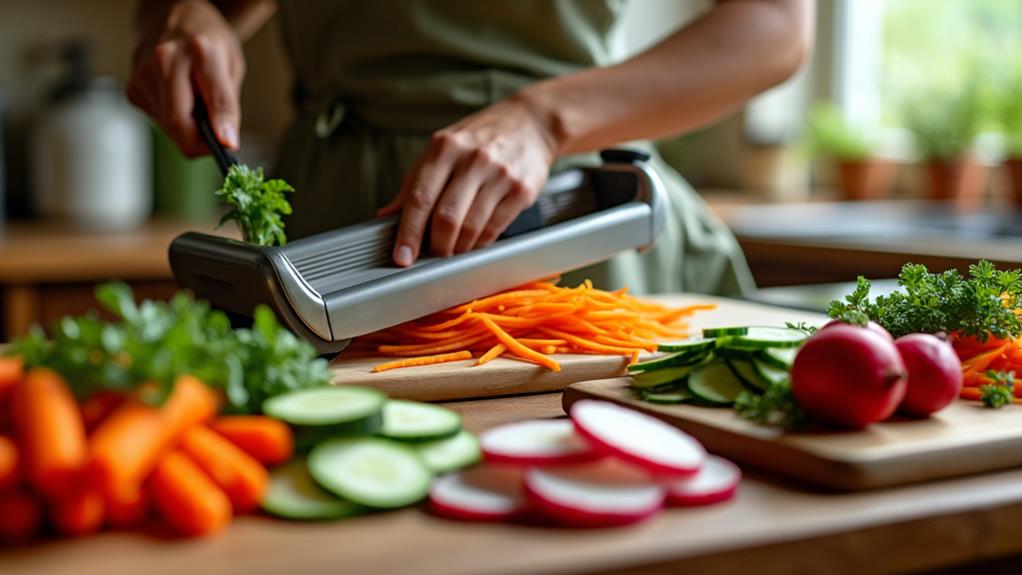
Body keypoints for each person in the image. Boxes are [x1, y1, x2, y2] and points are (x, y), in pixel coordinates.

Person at [129, 0, 812, 296]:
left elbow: (776, 25)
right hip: (331, 232)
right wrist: (186, 16)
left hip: (564, 222)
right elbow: (190, 5)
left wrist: (542, 120)